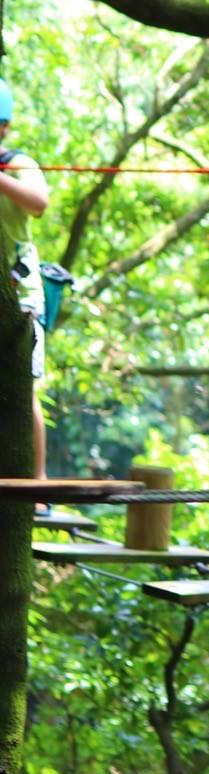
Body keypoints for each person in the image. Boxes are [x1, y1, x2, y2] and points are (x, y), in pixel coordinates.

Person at [0, 78, 50, 483]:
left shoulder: (18, 163)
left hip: (22, 296)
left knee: (22, 388)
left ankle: (38, 483)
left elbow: (39, 204)